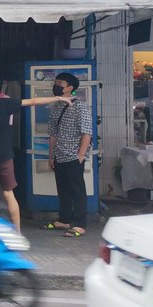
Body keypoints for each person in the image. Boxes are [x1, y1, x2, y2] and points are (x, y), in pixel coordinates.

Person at [0, 73, 70, 231]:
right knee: (9, 193)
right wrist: (59, 98)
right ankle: (17, 232)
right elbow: (33, 101)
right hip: (5, 156)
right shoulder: (4, 104)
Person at [45, 72, 93, 238]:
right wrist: (51, 156)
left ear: (70, 88)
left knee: (77, 191)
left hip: (73, 156)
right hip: (59, 155)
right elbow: (53, 134)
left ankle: (79, 224)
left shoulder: (80, 106)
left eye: (60, 82)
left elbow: (87, 132)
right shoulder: (56, 106)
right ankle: (64, 220)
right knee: (63, 189)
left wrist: (80, 155)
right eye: (56, 82)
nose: (56, 85)